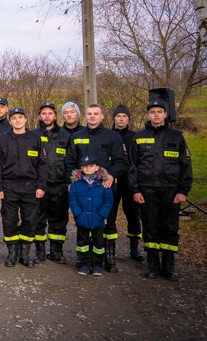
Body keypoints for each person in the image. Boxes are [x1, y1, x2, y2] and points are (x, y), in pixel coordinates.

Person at [129, 99, 193, 281]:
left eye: (159, 111)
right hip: (146, 190)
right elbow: (132, 166)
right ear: (148, 115)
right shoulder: (139, 136)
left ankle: (168, 265)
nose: (156, 114)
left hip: (171, 191)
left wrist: (183, 190)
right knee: (150, 226)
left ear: (166, 114)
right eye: (152, 112)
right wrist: (135, 190)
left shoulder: (177, 136)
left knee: (170, 227)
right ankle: (153, 264)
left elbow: (186, 165)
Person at [64, 104, 128, 272]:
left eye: (96, 114)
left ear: (102, 116)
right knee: (84, 225)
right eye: (89, 114)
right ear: (85, 116)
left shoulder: (112, 136)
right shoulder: (77, 136)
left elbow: (121, 161)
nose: (92, 116)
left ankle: (109, 259)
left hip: (104, 188)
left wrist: (111, 175)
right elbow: (70, 161)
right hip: (83, 188)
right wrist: (71, 180)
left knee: (108, 223)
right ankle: (85, 260)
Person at [0, 107, 48, 268]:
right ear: (10, 121)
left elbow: (42, 165)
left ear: (25, 120)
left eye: (20, 117)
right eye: (14, 118)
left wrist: (41, 186)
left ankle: (24, 254)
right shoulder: (3, 140)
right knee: (9, 220)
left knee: (30, 221)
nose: (17, 120)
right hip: (9, 187)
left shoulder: (35, 138)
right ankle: (12, 254)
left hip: (30, 187)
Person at [33, 102, 72, 264]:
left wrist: (70, 182)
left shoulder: (65, 136)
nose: (47, 116)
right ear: (39, 116)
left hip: (60, 184)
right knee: (38, 218)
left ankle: (56, 251)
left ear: (55, 116)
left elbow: (71, 161)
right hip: (39, 185)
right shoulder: (33, 135)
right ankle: (40, 251)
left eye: (50, 113)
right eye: (44, 113)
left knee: (59, 219)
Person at [110, 105, 145, 262]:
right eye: (118, 116)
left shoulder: (135, 136)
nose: (121, 119)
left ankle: (134, 248)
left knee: (133, 215)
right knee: (109, 214)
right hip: (111, 182)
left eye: (124, 116)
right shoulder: (108, 135)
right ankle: (108, 247)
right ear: (114, 118)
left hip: (130, 183)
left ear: (129, 119)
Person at [69, 155, 113, 276]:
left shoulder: (103, 183)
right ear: (81, 168)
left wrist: (102, 215)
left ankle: (97, 265)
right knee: (82, 243)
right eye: (85, 166)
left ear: (97, 167)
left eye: (91, 166)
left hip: (98, 219)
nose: (88, 169)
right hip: (82, 218)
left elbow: (108, 200)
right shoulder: (76, 183)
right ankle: (84, 264)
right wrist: (77, 214)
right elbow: (72, 199)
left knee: (98, 243)